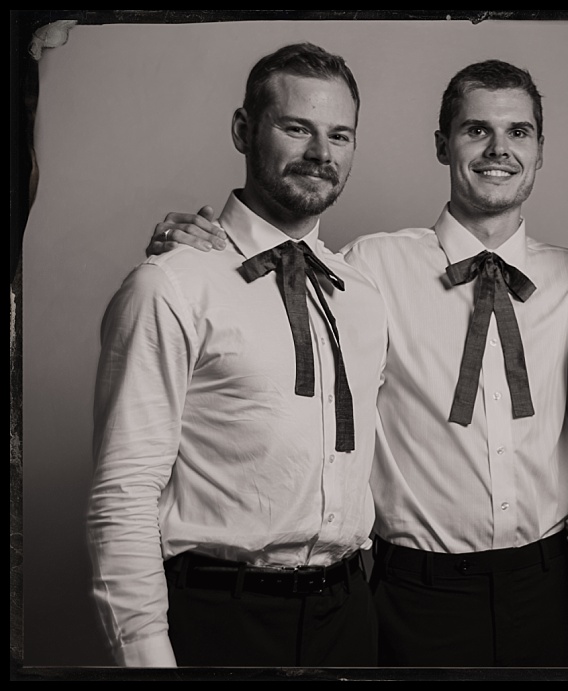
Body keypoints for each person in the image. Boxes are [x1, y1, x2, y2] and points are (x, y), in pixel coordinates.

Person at [148, 59, 568, 667]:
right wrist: (201, 246)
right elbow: (274, 285)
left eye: (518, 132)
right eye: (477, 129)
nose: (498, 148)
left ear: (539, 150)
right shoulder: (368, 268)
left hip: (547, 589)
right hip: (409, 594)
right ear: (443, 145)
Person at [87, 43, 386, 667]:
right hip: (220, 617)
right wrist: (146, 659)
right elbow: (123, 492)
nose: (321, 154)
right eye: (297, 128)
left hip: (348, 616)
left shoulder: (360, 291)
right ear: (244, 130)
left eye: (340, 135)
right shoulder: (171, 284)